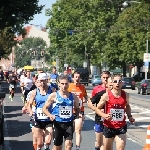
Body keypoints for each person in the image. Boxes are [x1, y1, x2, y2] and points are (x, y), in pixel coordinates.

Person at [95, 74, 135, 150]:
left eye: (119, 81)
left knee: (120, 147)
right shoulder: (106, 95)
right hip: (108, 126)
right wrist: (104, 115)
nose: (117, 83)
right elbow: (97, 108)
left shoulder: (125, 95)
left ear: (122, 83)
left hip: (121, 126)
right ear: (112, 83)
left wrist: (130, 116)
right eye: (115, 81)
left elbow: (127, 105)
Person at [42, 75, 81, 150]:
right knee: (57, 147)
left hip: (69, 123)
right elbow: (44, 108)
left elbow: (77, 108)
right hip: (57, 124)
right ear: (58, 84)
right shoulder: (54, 95)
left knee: (68, 145)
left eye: (66, 84)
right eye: (62, 84)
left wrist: (79, 114)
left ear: (69, 84)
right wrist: (49, 115)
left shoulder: (73, 96)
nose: (64, 86)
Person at [28, 73, 53, 150]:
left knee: (48, 141)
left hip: (49, 118)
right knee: (39, 143)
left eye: (44, 81)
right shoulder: (35, 92)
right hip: (38, 118)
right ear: (38, 81)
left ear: (47, 80)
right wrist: (31, 112)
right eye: (41, 81)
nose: (42, 83)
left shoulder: (52, 91)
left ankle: (46, 147)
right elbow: (29, 104)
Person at [88, 71, 110, 150]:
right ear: (101, 78)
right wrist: (96, 110)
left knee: (106, 144)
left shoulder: (113, 90)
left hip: (110, 120)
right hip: (99, 119)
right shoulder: (97, 89)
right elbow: (90, 103)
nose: (105, 79)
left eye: (107, 78)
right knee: (98, 143)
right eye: (104, 78)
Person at [68, 71, 87, 150]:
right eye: (76, 77)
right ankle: (69, 143)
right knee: (70, 131)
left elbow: (86, 97)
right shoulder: (69, 86)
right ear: (73, 78)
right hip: (69, 111)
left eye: (78, 77)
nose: (77, 78)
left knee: (78, 129)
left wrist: (84, 100)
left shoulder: (82, 87)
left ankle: (77, 148)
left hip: (79, 111)